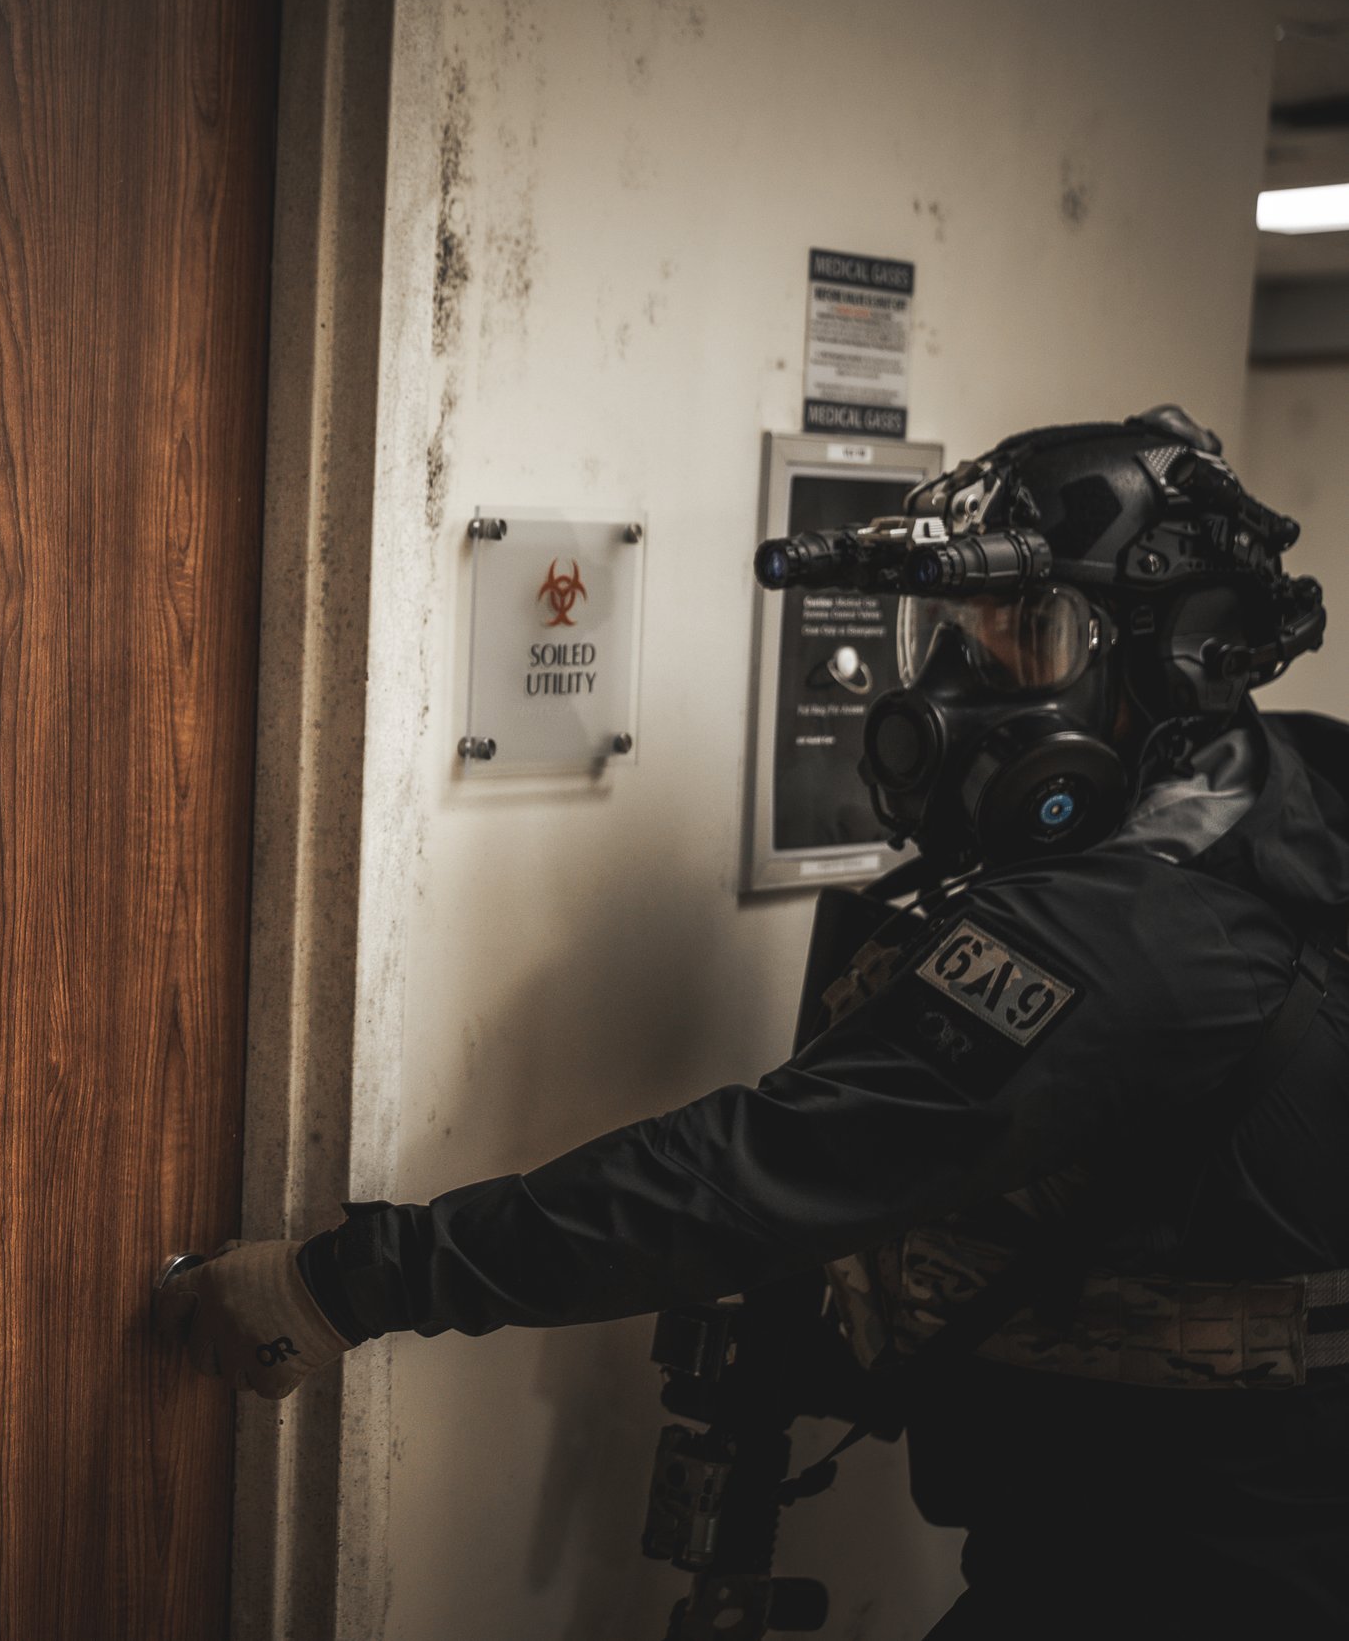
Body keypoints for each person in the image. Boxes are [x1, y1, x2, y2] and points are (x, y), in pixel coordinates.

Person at [160, 407, 1347, 1636]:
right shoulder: (1299, 785)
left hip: (1178, 1570)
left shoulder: (1123, 941)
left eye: (1021, 643)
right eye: (945, 639)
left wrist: (344, 1283)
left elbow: (748, 1175)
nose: (950, 694)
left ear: (1180, 660)